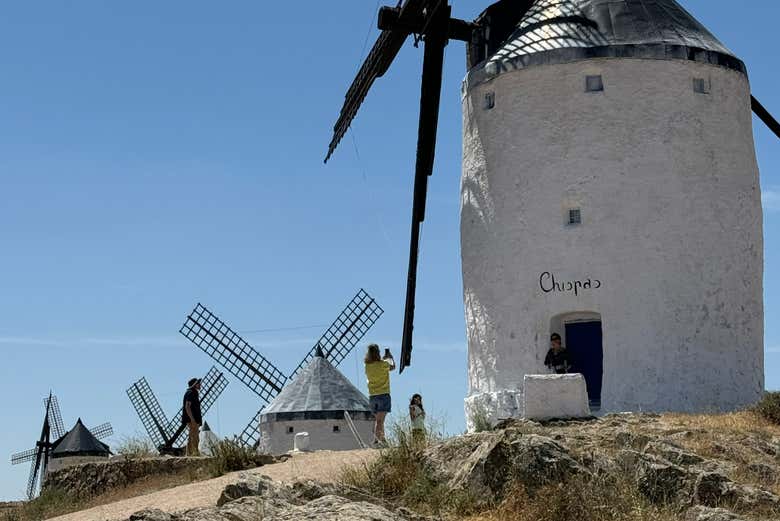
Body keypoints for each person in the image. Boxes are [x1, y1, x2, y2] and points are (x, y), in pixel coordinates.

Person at [365, 343, 395, 445]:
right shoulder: (383, 364)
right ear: (378, 353)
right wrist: (390, 358)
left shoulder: (367, 366)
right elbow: (393, 367)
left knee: (377, 420)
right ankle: (379, 441)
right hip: (383, 394)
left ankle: (378, 439)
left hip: (372, 396)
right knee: (380, 421)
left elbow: (376, 366)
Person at [181, 378, 203, 456]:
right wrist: (192, 419)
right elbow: (187, 406)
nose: (200, 385)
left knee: (192, 437)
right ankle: (194, 453)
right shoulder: (191, 393)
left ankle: (190, 454)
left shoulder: (193, 392)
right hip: (192, 419)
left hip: (193, 419)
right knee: (195, 438)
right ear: (194, 385)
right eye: (198, 383)